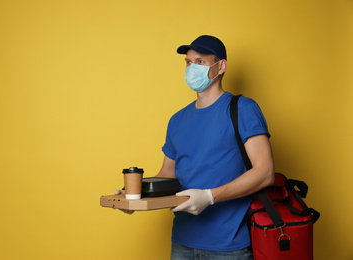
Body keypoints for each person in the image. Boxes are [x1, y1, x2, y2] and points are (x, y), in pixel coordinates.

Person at [117, 35, 275, 260]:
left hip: (228, 246)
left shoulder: (243, 109)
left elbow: (265, 173)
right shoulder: (177, 120)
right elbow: (167, 175)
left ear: (221, 66)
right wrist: (135, 194)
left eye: (200, 62)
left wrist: (209, 197)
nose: (192, 68)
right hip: (182, 242)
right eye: (188, 63)